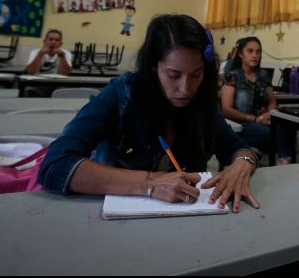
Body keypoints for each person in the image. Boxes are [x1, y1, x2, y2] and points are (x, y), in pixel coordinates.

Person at [39, 14, 260, 213]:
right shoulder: (122, 94)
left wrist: (242, 164)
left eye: (196, 74)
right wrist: (150, 183)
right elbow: (55, 164)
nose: (186, 89)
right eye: (173, 74)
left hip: (186, 226)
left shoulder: (201, 102)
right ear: (154, 67)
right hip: (109, 224)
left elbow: (240, 149)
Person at [220, 37, 296, 165]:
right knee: (268, 134)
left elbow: (272, 102)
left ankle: (283, 161)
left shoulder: (263, 75)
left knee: (286, 125)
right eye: (250, 51)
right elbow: (226, 110)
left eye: (258, 52)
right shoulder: (232, 76)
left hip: (264, 121)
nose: (255, 55)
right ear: (240, 54)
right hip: (243, 124)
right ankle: (277, 160)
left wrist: (270, 115)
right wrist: (254, 119)